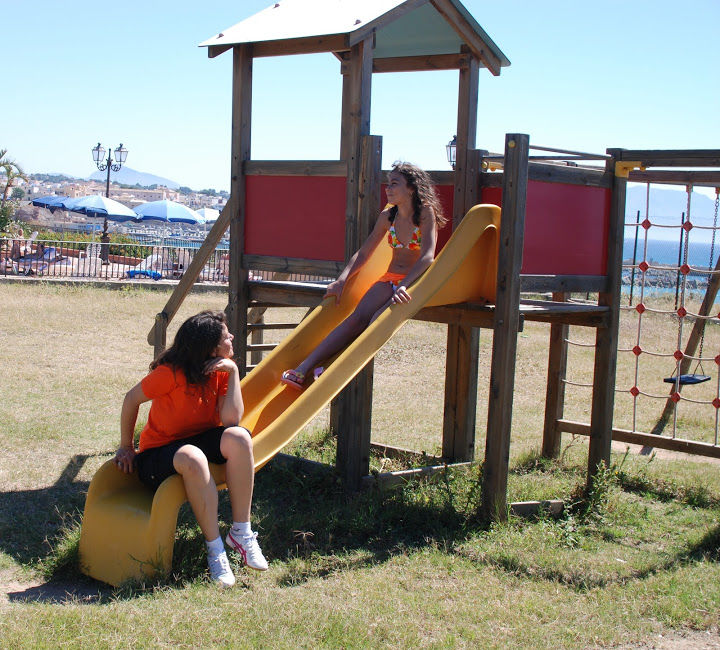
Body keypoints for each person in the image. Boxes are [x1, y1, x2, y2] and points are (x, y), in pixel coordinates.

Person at [114, 310, 268, 587]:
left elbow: (231, 421)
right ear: (209, 347)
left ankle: (241, 532)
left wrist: (232, 373)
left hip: (197, 441)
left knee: (240, 437)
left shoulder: (220, 369)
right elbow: (130, 399)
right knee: (193, 456)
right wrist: (126, 446)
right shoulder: (169, 374)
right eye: (225, 336)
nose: (232, 337)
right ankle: (215, 549)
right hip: (157, 457)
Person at [281, 162, 446, 390]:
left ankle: (332, 368)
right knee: (356, 318)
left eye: (395, 183)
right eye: (388, 183)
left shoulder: (425, 213)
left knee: (376, 319)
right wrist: (342, 280)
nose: (388, 188)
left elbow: (427, 256)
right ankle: (303, 368)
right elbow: (365, 252)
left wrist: (404, 286)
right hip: (391, 276)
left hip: (414, 281)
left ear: (411, 188)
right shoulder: (389, 216)